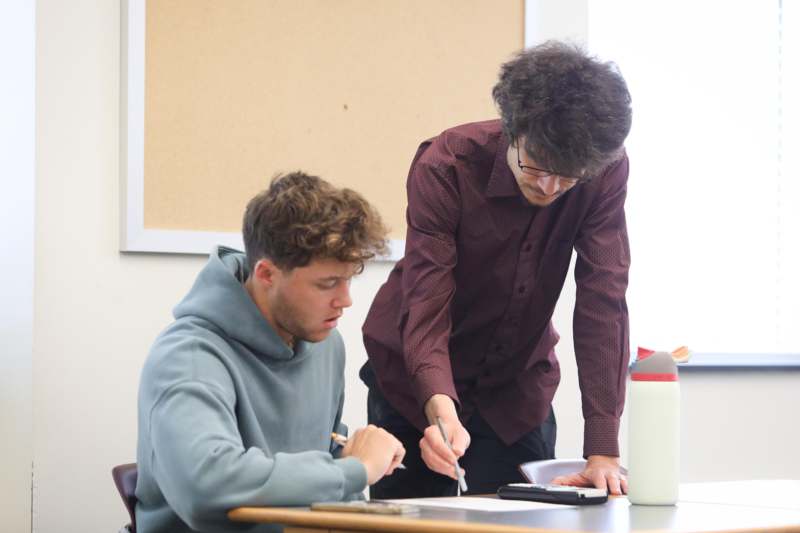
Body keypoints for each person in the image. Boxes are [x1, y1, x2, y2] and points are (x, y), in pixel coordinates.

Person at [360, 40, 633, 498]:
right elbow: (427, 299)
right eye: (536, 166)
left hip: (515, 394)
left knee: (526, 523)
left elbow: (603, 299)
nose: (550, 187)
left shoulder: (602, 171)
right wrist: (440, 409)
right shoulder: (447, 164)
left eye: (569, 178)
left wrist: (603, 449)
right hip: (412, 386)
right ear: (512, 129)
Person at [136, 172, 406, 533]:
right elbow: (206, 487)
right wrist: (356, 470)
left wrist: (350, 455)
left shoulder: (326, 344)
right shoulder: (188, 357)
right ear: (267, 274)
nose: (345, 300)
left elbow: (321, 464)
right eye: (327, 284)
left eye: (348, 279)